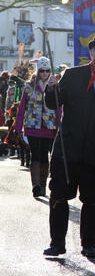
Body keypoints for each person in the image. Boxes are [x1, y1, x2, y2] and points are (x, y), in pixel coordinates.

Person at [43, 33, 95, 259]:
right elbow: (54, 104)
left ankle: (89, 245)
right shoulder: (71, 75)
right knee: (59, 197)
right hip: (66, 151)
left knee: (92, 202)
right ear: (91, 53)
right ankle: (57, 244)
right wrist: (51, 89)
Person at [14, 57, 60, 197]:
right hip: (33, 126)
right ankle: (35, 185)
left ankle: (43, 185)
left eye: (47, 71)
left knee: (45, 157)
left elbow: (59, 108)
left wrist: (59, 126)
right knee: (35, 155)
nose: (45, 73)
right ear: (38, 71)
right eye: (42, 71)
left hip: (49, 127)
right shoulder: (29, 86)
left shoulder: (54, 86)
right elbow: (22, 107)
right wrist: (18, 127)